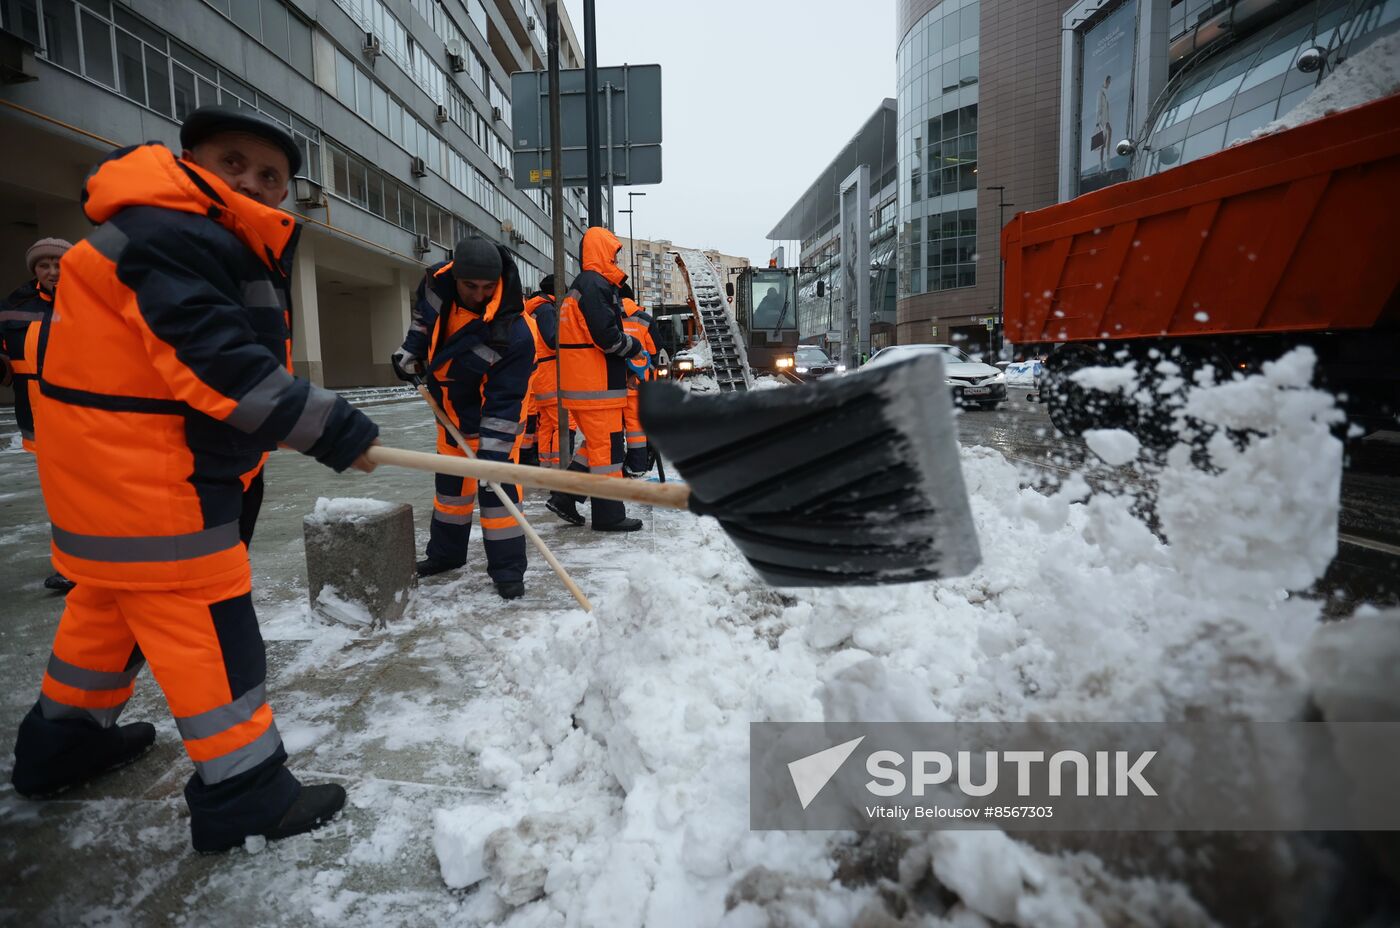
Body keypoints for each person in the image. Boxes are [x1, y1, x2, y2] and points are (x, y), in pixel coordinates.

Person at [9, 106, 381, 855]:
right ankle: (245, 794)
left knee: (105, 613)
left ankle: (61, 747)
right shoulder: (171, 232)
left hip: (108, 482)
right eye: (232, 160)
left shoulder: (160, 229)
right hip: (155, 484)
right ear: (189, 158)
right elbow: (216, 360)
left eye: (270, 176)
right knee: (212, 636)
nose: (250, 180)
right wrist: (332, 428)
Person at [391, 237, 537, 599]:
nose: (479, 294)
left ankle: (507, 571)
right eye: (470, 286)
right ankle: (445, 555)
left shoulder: (513, 332)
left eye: (488, 287)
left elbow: (504, 403)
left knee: (498, 496)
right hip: (450, 409)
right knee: (451, 494)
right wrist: (410, 351)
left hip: (496, 420)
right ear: (456, 275)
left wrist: (493, 458)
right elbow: (425, 320)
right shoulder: (437, 284)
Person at [545, 227, 647, 531]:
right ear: (602, 252)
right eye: (614, 253)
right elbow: (606, 336)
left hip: (589, 384)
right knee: (608, 452)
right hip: (595, 385)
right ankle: (609, 515)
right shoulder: (595, 285)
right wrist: (634, 347)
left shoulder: (587, 285)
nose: (617, 259)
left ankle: (565, 497)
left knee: (597, 446)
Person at [1, 237, 76, 592]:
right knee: (62, 498)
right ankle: (72, 565)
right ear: (35, 270)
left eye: (59, 264)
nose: (53, 272)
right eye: (44, 265)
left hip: (84, 419)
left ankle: (84, 565)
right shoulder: (14, 306)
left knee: (84, 494)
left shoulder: (90, 301)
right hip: (37, 419)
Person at [619, 283, 656, 478]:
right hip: (638, 384)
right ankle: (637, 466)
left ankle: (614, 465)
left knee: (614, 428)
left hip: (612, 385)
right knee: (636, 428)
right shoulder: (645, 320)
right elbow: (656, 350)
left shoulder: (606, 318)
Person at [523, 275, 561, 468]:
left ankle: (546, 463)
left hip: (540, 374)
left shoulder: (534, 309)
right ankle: (558, 466)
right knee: (564, 424)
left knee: (546, 423)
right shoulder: (546, 310)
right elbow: (553, 341)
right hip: (550, 375)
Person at [1095, 74, 1113, 174]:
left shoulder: (1106, 91)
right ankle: (1106, 163)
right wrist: (1097, 121)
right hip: (1102, 119)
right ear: (1105, 81)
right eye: (1108, 81)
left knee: (1103, 142)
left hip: (1106, 119)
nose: (1109, 83)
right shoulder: (1100, 92)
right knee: (1107, 136)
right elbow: (1098, 107)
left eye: (1110, 82)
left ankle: (1101, 165)